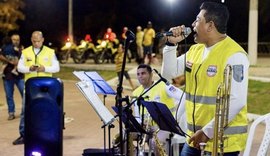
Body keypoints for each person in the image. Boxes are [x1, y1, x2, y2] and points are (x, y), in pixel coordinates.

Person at [161, 2, 249, 155]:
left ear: (210, 25)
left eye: (197, 20)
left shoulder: (235, 55)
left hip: (222, 143)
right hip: (195, 138)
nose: (192, 25)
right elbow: (168, 75)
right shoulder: (195, 49)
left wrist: (207, 131)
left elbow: (237, 100)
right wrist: (170, 45)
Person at [12, 31, 60, 145]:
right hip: (30, 87)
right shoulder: (26, 51)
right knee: (25, 112)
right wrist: (30, 68)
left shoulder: (50, 52)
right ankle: (24, 135)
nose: (36, 43)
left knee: (45, 111)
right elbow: (20, 67)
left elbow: (56, 68)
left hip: (46, 88)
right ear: (31, 39)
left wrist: (45, 69)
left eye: (38, 41)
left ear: (42, 40)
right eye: (34, 41)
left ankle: (46, 135)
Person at [132, 64, 182, 155]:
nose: (140, 76)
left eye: (143, 73)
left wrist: (176, 118)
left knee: (154, 142)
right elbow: (137, 115)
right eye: (138, 74)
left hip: (164, 126)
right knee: (123, 136)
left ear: (151, 75)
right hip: (146, 127)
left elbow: (182, 96)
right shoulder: (136, 93)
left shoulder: (163, 86)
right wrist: (140, 123)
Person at [0, 33, 24, 120]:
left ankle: (25, 111)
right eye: (14, 39)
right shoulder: (5, 47)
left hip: (19, 76)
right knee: (9, 95)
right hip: (8, 76)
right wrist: (9, 61)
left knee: (24, 94)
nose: (16, 41)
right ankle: (11, 112)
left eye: (18, 40)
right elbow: (0, 56)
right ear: (11, 39)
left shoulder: (21, 48)